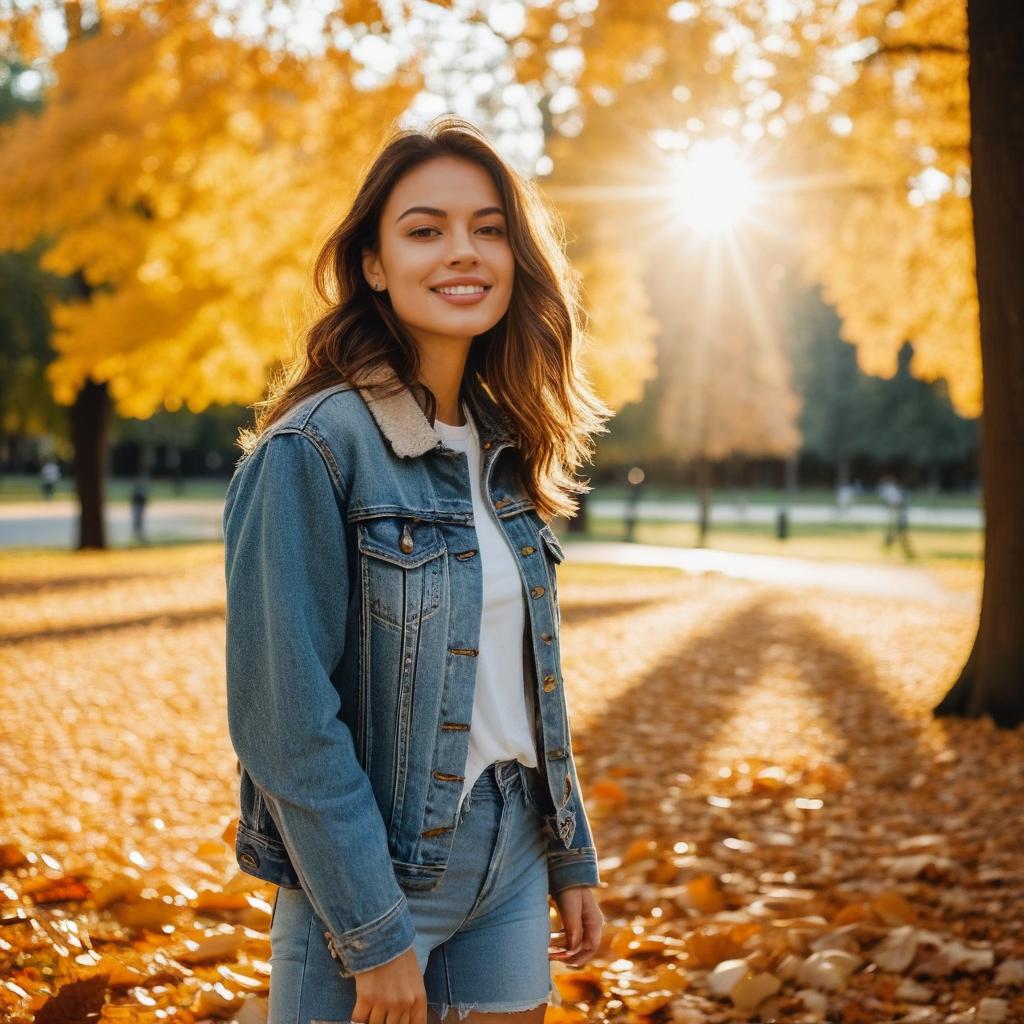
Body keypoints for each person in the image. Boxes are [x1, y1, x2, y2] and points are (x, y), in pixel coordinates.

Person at [223, 116, 613, 1024]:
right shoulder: (312, 450)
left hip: (512, 852)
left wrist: (568, 854)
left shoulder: (505, 447)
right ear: (373, 262)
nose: (462, 253)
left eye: (488, 228)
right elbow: (282, 722)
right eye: (425, 229)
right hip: (372, 878)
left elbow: (527, 678)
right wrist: (373, 930)